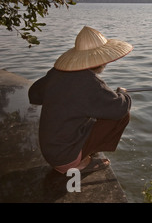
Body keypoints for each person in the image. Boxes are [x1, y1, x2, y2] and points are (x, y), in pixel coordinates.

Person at [28, 26, 133, 174]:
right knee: (123, 116)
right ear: (102, 59)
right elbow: (120, 108)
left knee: (89, 115)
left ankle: (82, 152)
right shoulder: (90, 82)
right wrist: (123, 95)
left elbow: (34, 94)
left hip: (50, 151)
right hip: (65, 158)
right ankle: (80, 162)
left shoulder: (56, 73)